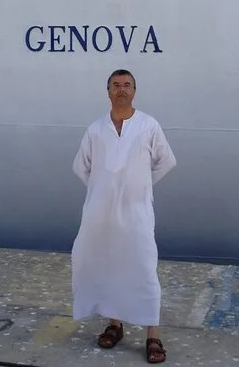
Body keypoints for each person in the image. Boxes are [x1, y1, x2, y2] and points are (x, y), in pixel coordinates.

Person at [71, 69, 177, 364]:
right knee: (108, 264)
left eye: (127, 85)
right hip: (100, 212)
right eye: (116, 85)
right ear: (108, 91)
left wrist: (138, 186)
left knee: (144, 267)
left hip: (137, 212)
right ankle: (114, 325)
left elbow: (166, 161)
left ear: (134, 91)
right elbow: (81, 167)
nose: (121, 89)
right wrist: (105, 189)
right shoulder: (95, 129)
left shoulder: (148, 125)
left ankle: (153, 335)